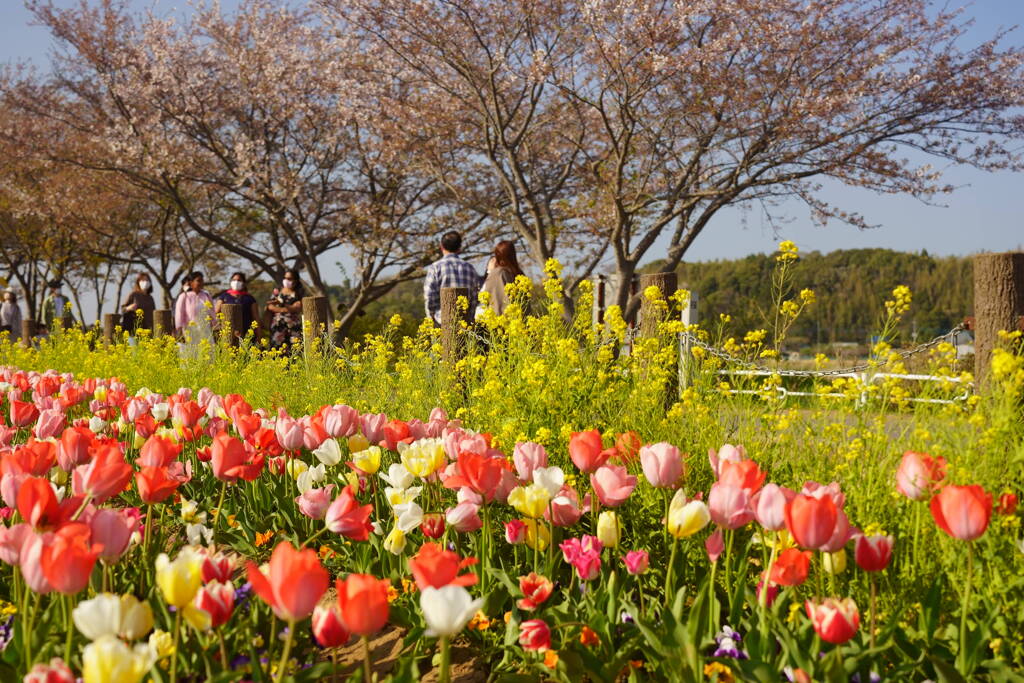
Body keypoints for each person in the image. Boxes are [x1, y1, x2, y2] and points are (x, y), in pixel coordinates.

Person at [423, 231, 483, 324]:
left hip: (441, 322)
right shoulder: (470, 268)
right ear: (459, 248)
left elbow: (429, 296)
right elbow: (475, 297)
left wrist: (431, 319)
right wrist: (470, 319)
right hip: (465, 324)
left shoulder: (435, 267)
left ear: (441, 246)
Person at [478, 240, 524, 317]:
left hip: (501, 322)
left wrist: (489, 272)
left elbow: (485, 297)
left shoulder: (498, 273)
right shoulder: (520, 274)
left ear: (497, 255)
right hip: (520, 323)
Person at [265, 270, 304, 352]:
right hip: (277, 325)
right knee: (276, 350)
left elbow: (298, 307)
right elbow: (270, 306)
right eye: (285, 278)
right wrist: (287, 308)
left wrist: (280, 305)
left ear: (295, 280)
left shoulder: (299, 292)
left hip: (293, 326)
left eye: (289, 279)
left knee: (295, 350)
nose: (286, 280)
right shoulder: (277, 290)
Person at [214, 272, 260, 340]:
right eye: (234, 280)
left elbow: (256, 318)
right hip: (227, 334)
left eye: (239, 280)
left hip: (246, 333)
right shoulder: (224, 297)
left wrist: (259, 336)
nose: (236, 282)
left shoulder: (249, 299)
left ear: (243, 283)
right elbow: (215, 313)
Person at [174, 271, 214, 341]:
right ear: (191, 283)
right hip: (190, 331)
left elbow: (212, 312)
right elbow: (179, 314)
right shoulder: (184, 296)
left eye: (202, 280)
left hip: (205, 331)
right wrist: (179, 330)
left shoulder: (206, 295)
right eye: (198, 281)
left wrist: (215, 326)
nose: (201, 283)